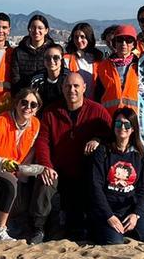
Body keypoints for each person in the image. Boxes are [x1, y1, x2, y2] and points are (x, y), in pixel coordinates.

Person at [34, 72, 112, 241]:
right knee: (44, 183)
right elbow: (42, 141)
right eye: (68, 86)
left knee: (76, 223)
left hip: (86, 172)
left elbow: (111, 137)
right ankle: (38, 227)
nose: (72, 90)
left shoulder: (97, 111)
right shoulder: (50, 112)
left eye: (76, 86)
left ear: (84, 88)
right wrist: (46, 165)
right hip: (58, 169)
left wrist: (97, 139)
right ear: (62, 88)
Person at [0, 88, 52, 241]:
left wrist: (25, 171)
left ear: (37, 110)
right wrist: (4, 163)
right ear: (16, 104)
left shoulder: (35, 125)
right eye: (24, 102)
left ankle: (29, 225)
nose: (28, 107)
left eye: (33, 105)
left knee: (34, 182)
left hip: (18, 169)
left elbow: (30, 152)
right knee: (11, 184)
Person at [89, 108, 144, 246]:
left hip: (129, 208)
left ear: (133, 129)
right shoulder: (103, 151)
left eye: (127, 125)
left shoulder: (140, 154)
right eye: (118, 124)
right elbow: (95, 186)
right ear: (114, 126)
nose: (122, 128)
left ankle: (129, 225)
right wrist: (109, 216)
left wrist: (135, 214)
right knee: (114, 242)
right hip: (108, 209)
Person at [93, 25, 140, 113]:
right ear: (114, 43)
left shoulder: (140, 66)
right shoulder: (103, 66)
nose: (124, 44)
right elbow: (98, 94)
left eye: (128, 40)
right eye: (120, 40)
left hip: (132, 119)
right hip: (109, 117)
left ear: (134, 44)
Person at [10, 14, 53, 92]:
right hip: (25, 96)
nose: (36, 31)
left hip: (48, 95)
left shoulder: (52, 50)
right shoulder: (19, 51)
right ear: (29, 29)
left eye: (40, 28)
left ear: (46, 30)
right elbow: (15, 78)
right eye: (33, 27)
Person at [64, 22, 102, 96]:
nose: (79, 40)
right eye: (76, 37)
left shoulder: (98, 59)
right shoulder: (66, 59)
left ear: (89, 37)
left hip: (94, 101)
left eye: (82, 37)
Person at [29, 43, 69, 108]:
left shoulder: (69, 78)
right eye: (47, 58)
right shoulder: (37, 79)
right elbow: (31, 101)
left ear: (61, 60)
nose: (51, 61)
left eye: (56, 58)